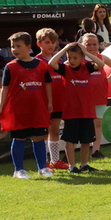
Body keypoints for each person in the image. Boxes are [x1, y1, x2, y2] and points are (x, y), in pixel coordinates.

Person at [0, 32, 53, 179]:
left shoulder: (42, 65)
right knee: (19, 138)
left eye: (18, 46)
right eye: (12, 46)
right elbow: (5, 88)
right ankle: (19, 170)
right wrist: (1, 106)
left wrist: (50, 102)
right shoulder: (10, 67)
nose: (14, 49)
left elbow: (47, 84)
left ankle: (43, 167)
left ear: (28, 47)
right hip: (18, 109)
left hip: (37, 108)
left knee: (38, 137)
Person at [48, 41, 106, 174]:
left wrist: (85, 52)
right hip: (71, 112)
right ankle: (72, 166)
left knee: (86, 140)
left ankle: (84, 164)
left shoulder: (87, 67)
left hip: (86, 111)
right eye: (69, 58)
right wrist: (65, 49)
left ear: (81, 58)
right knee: (71, 140)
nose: (72, 61)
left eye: (75, 58)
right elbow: (51, 63)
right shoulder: (65, 68)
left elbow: (101, 64)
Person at [79, 32, 111, 158]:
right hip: (84, 97)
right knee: (82, 123)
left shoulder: (102, 57)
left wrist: (109, 79)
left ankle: (96, 150)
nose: (92, 47)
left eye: (94, 44)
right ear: (82, 45)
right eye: (88, 44)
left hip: (99, 95)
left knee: (98, 123)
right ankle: (74, 148)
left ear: (98, 45)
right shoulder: (79, 59)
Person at [34, 28, 68, 170]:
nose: (51, 45)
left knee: (55, 130)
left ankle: (55, 160)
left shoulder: (58, 60)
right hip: (44, 102)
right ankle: (44, 161)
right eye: (47, 42)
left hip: (58, 100)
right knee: (43, 133)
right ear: (39, 43)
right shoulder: (36, 61)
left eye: (53, 43)